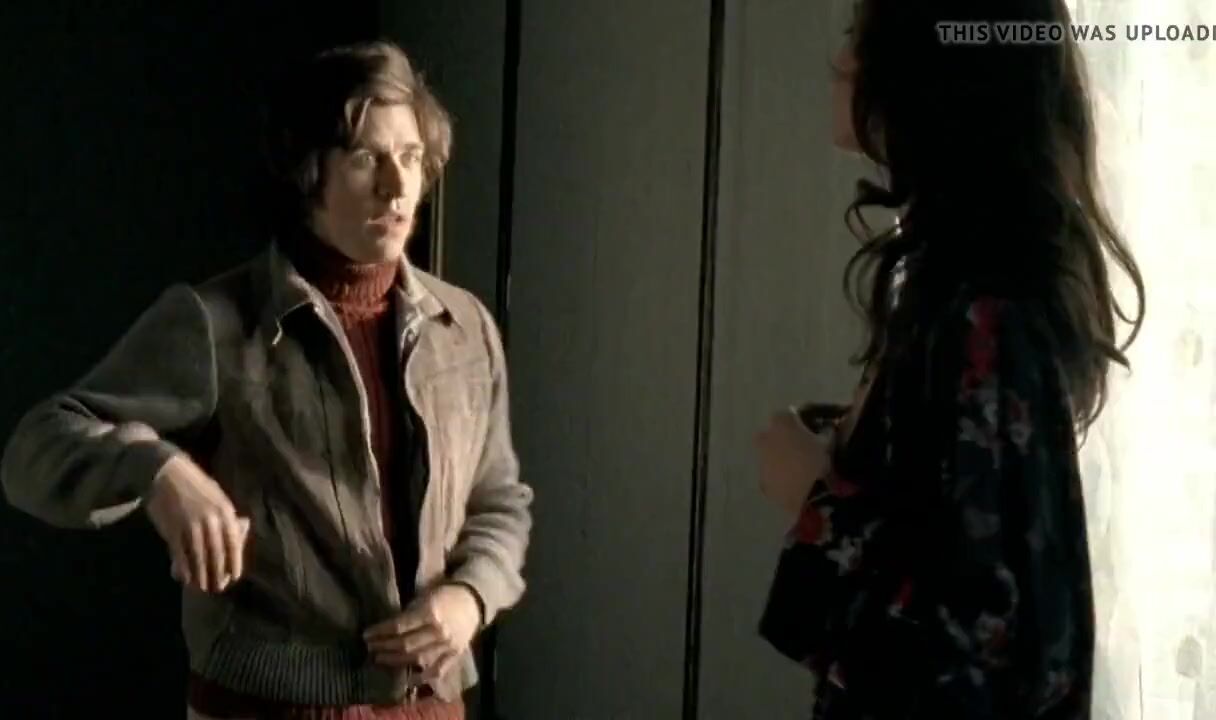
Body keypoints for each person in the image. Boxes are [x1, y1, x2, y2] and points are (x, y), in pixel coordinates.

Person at [0, 40, 532, 719]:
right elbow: (35, 450)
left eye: (410, 157)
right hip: (266, 708)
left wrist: (471, 596)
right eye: (365, 158)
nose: (396, 188)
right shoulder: (214, 323)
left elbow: (500, 501)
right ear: (309, 173)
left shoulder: (465, 327)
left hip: (431, 707)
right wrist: (155, 467)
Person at [753, 0, 1145, 718]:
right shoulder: (956, 298)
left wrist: (815, 497)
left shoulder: (984, 317)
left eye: (860, 38)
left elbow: (972, 668)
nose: (840, 62)